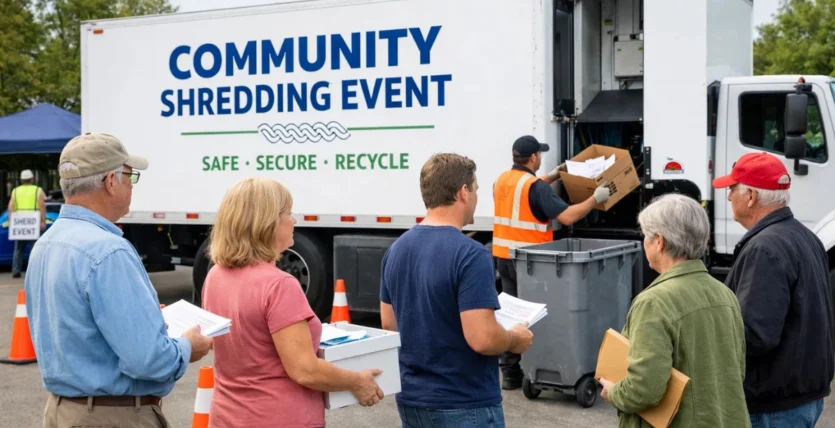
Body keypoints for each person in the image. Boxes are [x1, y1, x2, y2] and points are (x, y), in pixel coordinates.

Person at [25, 132, 213, 428]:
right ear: (111, 182)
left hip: (63, 410)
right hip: (112, 415)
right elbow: (148, 360)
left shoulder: (46, 244)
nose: (131, 185)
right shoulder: (109, 251)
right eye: (129, 176)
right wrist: (188, 346)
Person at [201, 177, 384, 428]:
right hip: (279, 418)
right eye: (288, 212)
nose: (294, 220)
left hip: (227, 416)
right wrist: (357, 381)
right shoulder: (279, 285)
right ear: (267, 223)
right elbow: (305, 370)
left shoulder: (215, 276)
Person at [380, 153, 534, 428]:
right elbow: (483, 338)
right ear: (463, 192)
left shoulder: (396, 249)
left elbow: (390, 324)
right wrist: (514, 339)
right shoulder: (471, 255)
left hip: (412, 400)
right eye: (475, 189)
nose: (476, 197)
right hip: (464, 402)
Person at [598, 193, 751, 427]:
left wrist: (614, 392)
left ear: (659, 241)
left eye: (646, 236)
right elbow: (735, 370)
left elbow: (644, 389)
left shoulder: (654, 302)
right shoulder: (725, 294)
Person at [713, 152, 834, 427]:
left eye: (732, 189)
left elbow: (754, 335)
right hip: (801, 396)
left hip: (774, 405)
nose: (729, 197)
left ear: (751, 196)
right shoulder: (805, 236)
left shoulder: (764, 249)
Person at [491, 135, 611, 389]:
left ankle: (510, 374)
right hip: (531, 263)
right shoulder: (536, 188)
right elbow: (567, 216)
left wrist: (553, 176)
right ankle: (542, 366)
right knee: (538, 317)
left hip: (503, 257)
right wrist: (595, 199)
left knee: (512, 316)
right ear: (534, 157)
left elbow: (526, 193)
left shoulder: (502, 180)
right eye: (540, 155)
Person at [7, 169, 46, 278]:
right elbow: (42, 205)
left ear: (21, 180)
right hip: (34, 222)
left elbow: (10, 207)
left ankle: (16, 270)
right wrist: (43, 221)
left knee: (19, 248)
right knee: (35, 248)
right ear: (32, 179)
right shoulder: (37, 190)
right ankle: (35, 271)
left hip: (20, 223)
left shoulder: (15, 191)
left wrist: (12, 222)